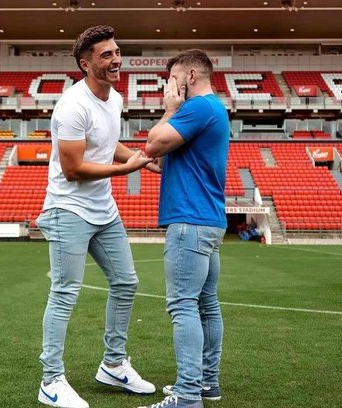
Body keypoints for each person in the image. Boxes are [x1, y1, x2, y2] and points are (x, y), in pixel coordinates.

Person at [35, 25, 159, 408]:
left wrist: (138, 158)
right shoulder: (72, 106)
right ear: (85, 63)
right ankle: (50, 380)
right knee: (65, 292)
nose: (116, 59)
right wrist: (126, 171)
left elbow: (106, 143)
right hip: (67, 209)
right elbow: (72, 168)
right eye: (106, 55)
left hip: (103, 210)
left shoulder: (115, 99)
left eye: (117, 52)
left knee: (126, 282)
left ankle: (113, 363)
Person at [141, 49, 230, 408]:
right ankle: (207, 384)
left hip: (189, 222)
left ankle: (188, 395)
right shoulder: (215, 110)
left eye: (173, 76)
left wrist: (170, 107)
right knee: (206, 305)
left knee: (183, 306)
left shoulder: (196, 108)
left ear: (191, 76)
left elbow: (152, 142)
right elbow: (164, 158)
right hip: (208, 221)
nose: (170, 84)